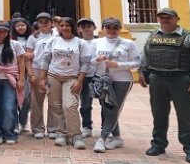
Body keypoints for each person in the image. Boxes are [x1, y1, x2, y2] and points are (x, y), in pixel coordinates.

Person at [139, 8, 190, 163]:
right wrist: (142, 72)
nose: (165, 20)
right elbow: (145, 56)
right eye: (161, 17)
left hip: (181, 80)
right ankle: (158, 145)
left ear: (177, 18)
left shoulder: (188, 38)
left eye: (168, 17)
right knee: (159, 114)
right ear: (158, 20)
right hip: (157, 79)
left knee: (186, 116)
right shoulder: (152, 37)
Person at [89, 17, 140, 153]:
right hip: (102, 80)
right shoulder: (96, 42)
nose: (111, 30)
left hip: (122, 80)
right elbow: (89, 61)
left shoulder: (128, 44)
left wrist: (119, 64)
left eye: (115, 27)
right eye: (108, 27)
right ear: (103, 28)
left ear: (119, 29)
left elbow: (137, 63)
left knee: (113, 108)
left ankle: (102, 138)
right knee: (106, 108)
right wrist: (97, 59)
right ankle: (117, 137)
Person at [38, 17, 87, 149]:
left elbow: (84, 64)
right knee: (56, 106)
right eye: (62, 25)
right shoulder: (53, 41)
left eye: (67, 25)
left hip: (71, 77)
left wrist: (79, 81)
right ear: (59, 27)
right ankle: (62, 133)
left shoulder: (80, 43)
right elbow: (45, 60)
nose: (64, 28)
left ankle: (76, 135)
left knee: (70, 105)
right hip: (53, 76)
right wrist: (42, 79)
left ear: (73, 27)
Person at [25, 12, 59, 139]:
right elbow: (27, 57)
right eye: (41, 22)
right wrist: (30, 74)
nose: (44, 24)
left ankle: (53, 128)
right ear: (38, 23)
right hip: (37, 70)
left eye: (46, 21)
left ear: (51, 23)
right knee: (36, 102)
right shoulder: (33, 37)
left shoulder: (57, 35)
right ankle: (37, 128)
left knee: (54, 101)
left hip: (53, 71)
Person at [76, 18, 97, 138]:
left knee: (106, 104)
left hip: (99, 76)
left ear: (94, 28)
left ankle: (106, 126)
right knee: (85, 104)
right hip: (84, 77)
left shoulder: (100, 42)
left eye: (89, 26)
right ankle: (86, 126)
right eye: (83, 27)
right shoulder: (77, 43)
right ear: (79, 29)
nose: (86, 29)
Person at [11, 18, 32, 133]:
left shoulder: (32, 38)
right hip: (13, 72)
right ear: (14, 28)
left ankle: (23, 122)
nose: (20, 28)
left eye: (22, 25)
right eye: (18, 26)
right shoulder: (10, 39)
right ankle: (15, 124)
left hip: (28, 73)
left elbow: (34, 54)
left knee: (25, 99)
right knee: (13, 99)